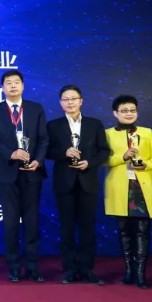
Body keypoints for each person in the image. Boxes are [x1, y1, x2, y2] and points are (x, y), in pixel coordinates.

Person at [0, 71, 48, 283]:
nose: (13, 86)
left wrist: (38, 160)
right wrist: (11, 153)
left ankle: (32, 267)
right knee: (11, 223)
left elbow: (43, 138)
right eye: (8, 83)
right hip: (7, 172)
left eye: (16, 82)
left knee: (32, 221)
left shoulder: (35, 109)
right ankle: (13, 267)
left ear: (23, 86)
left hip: (32, 172)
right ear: (2, 88)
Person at [46, 85, 109, 285]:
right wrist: (63, 153)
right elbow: (46, 151)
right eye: (65, 99)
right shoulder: (53, 125)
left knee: (87, 227)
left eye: (73, 98)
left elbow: (104, 151)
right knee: (66, 228)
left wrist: (90, 162)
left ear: (81, 101)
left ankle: (87, 269)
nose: (70, 102)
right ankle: (70, 269)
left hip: (87, 181)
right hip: (64, 182)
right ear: (60, 103)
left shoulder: (94, 124)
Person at [105, 95, 152, 289]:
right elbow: (104, 160)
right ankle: (129, 271)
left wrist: (146, 164)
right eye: (124, 111)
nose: (129, 114)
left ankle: (140, 274)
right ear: (115, 113)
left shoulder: (147, 132)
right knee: (124, 232)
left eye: (132, 110)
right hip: (120, 189)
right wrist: (122, 157)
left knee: (142, 231)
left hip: (142, 188)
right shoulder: (107, 134)